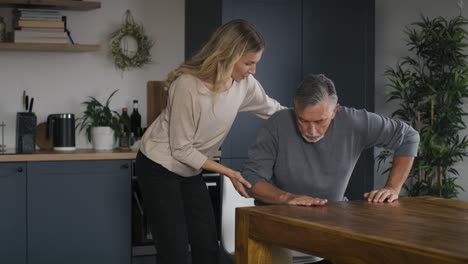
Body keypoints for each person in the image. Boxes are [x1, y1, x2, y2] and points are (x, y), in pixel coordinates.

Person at [136, 19, 286, 264]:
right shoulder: (187, 86)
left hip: (190, 167)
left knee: (207, 246)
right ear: (228, 55)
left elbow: (275, 110)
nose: (253, 70)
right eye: (249, 63)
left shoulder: (244, 84)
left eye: (256, 63)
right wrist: (229, 172)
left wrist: (311, 117)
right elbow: (181, 149)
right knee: (174, 251)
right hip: (158, 165)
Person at [240, 73, 420, 263]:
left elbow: (408, 137)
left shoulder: (355, 121)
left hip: (334, 222)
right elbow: (251, 179)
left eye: (319, 121)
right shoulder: (277, 124)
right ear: (295, 109)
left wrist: (392, 187)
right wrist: (288, 198)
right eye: (303, 120)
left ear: (335, 111)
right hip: (278, 225)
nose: (312, 131)